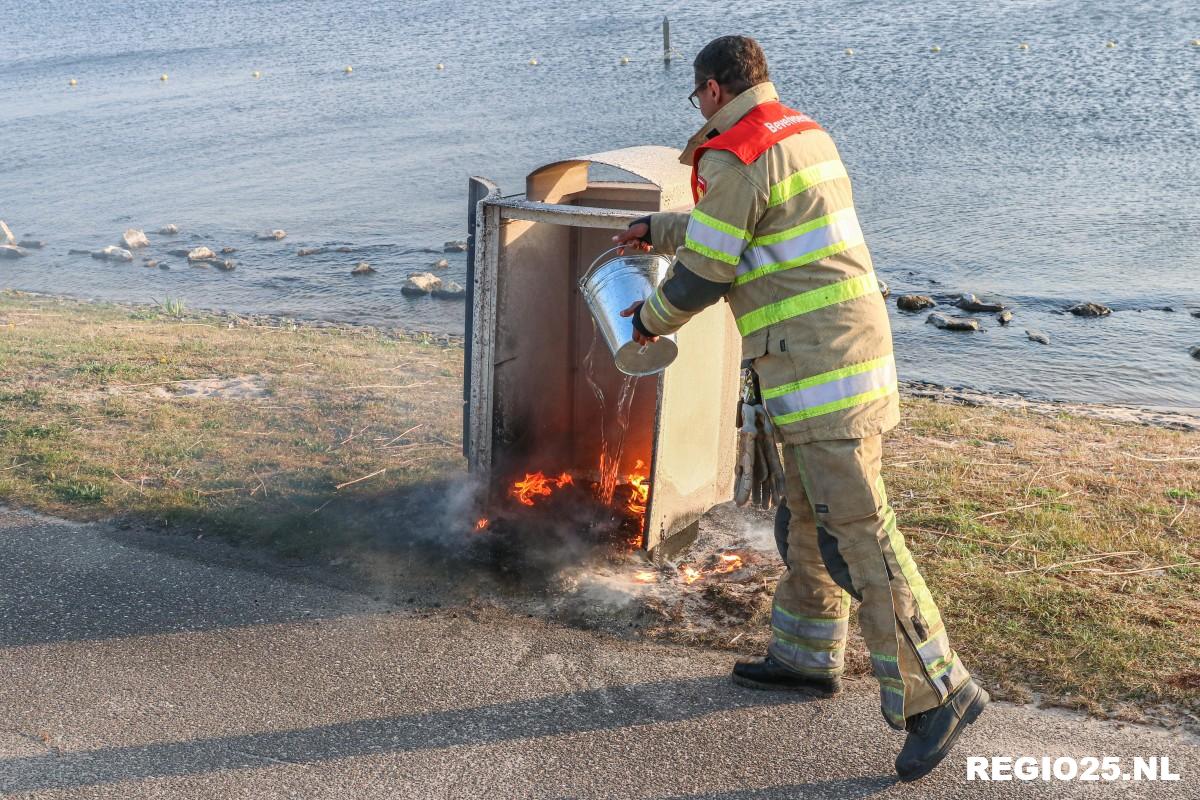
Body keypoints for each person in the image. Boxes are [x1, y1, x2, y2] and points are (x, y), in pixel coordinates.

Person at [613, 34, 988, 782]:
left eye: (696, 98)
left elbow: (706, 272)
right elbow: (742, 225)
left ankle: (937, 692)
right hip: (845, 358)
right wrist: (660, 229)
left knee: (859, 538)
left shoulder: (734, 152)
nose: (699, 110)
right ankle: (807, 654)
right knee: (807, 521)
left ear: (713, 89)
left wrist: (646, 322)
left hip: (819, 375)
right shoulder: (799, 133)